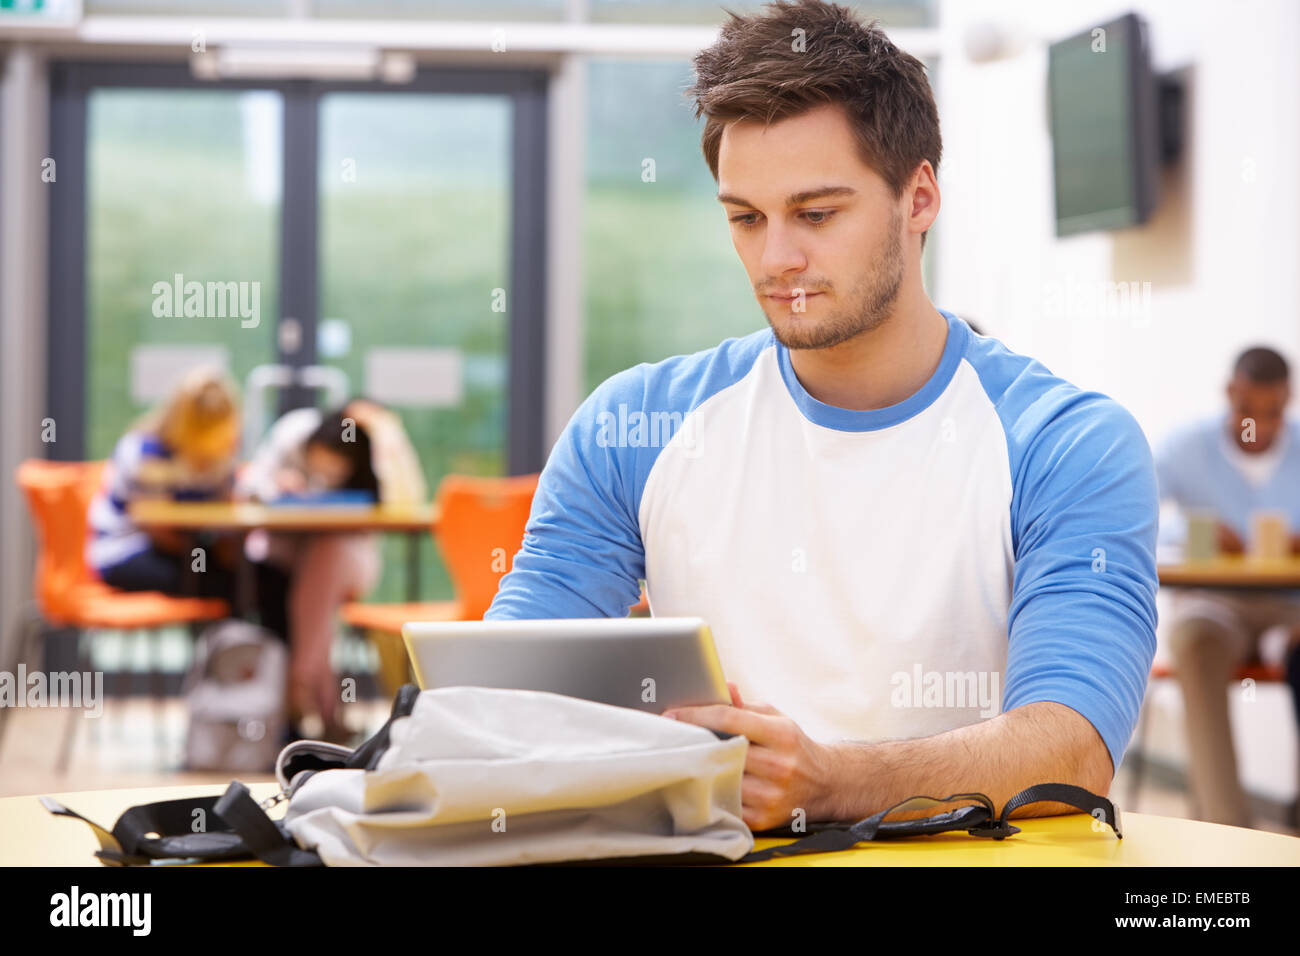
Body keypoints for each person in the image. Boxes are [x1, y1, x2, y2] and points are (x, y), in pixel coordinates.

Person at [485, 0, 1159, 832]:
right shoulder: (635, 424)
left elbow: (1071, 751)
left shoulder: (1067, 444)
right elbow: (504, 693)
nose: (776, 259)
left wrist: (833, 782)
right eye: (745, 218)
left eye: (816, 214)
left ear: (918, 200)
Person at [1154, 346, 1300, 828]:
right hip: (1214, 607)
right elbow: (1133, 510)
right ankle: (1228, 829)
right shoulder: (1187, 448)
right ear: (1229, 393)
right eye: (1246, 409)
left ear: (1289, 401)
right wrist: (1195, 531)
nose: (1257, 423)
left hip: (1290, 610)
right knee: (1195, 645)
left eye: (1273, 412)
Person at [238, 400, 427, 741]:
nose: (325, 477)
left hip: (346, 557)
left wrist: (390, 435)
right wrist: (275, 488)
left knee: (325, 563)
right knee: (314, 605)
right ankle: (323, 710)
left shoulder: (374, 445)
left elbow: (407, 500)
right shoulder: (293, 432)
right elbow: (250, 487)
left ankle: (301, 689)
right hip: (287, 559)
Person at [88, 366, 243, 601]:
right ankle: (230, 637)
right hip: (129, 550)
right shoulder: (146, 451)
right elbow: (157, 530)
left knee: (256, 579)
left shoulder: (220, 457)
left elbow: (228, 514)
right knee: (223, 584)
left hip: (185, 550)